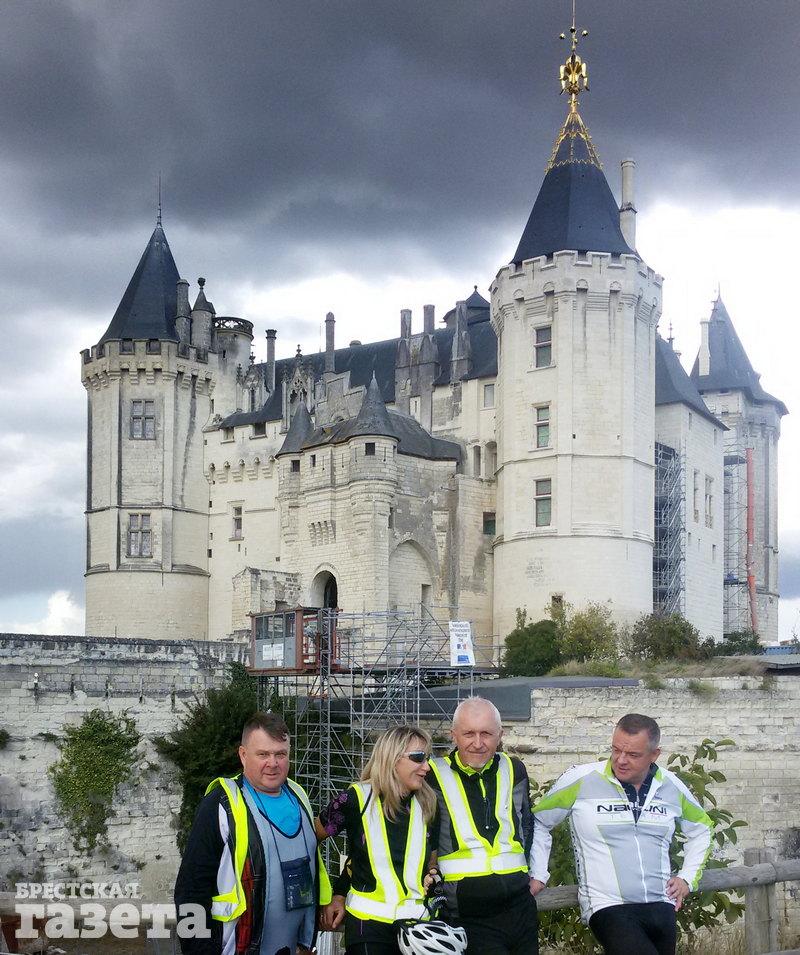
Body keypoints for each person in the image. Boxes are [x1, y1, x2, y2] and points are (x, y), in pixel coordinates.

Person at [530, 713, 714, 955]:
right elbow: (539, 821)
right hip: (607, 905)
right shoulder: (581, 779)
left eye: (633, 755)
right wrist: (539, 873)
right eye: (616, 750)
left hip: (661, 904)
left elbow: (702, 829)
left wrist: (687, 878)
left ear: (654, 755)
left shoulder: (671, 785)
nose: (621, 760)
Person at [174, 712, 331, 955]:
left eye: (280, 754)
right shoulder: (221, 804)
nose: (273, 763)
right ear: (243, 755)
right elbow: (191, 891)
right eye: (263, 754)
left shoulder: (298, 795)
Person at [317, 725, 464, 955]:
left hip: (417, 927)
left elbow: (431, 864)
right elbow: (309, 840)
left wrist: (432, 877)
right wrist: (333, 895)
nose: (426, 767)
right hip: (368, 925)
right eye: (418, 758)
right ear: (392, 758)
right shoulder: (355, 798)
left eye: (427, 758)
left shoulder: (429, 804)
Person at [427, 696, 538, 955]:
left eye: (486, 734)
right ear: (454, 735)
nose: (477, 743)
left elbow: (527, 825)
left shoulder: (515, 769)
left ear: (500, 735)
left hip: (520, 906)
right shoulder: (432, 774)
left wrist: (533, 874)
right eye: (469, 734)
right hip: (467, 913)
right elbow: (422, 837)